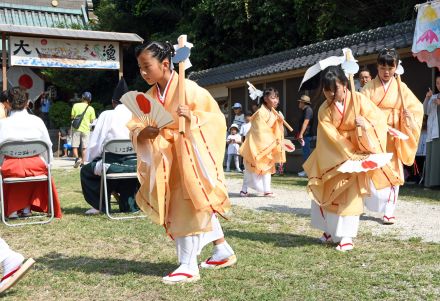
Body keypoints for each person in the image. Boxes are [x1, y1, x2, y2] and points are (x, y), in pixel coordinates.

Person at [128, 41, 236, 284]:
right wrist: (142, 133)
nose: (144, 73)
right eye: (141, 68)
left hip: (189, 156)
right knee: (198, 203)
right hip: (165, 158)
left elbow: (217, 121)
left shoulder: (191, 90)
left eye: (147, 67)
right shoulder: (148, 97)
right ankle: (222, 249)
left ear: (165, 64)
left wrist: (194, 118)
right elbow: (136, 126)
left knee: (186, 205)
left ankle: (188, 265)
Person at [303, 65, 389, 251]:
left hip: (358, 152)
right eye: (327, 91)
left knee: (350, 196)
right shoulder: (324, 110)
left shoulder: (359, 100)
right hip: (333, 155)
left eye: (335, 90)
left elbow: (379, 121)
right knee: (326, 193)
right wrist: (349, 153)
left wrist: (365, 124)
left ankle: (347, 236)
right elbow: (330, 136)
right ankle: (329, 231)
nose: (331, 95)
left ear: (344, 85)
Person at [361, 48, 424, 224]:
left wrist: (407, 116)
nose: (386, 72)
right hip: (374, 136)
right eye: (382, 68)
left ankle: (389, 210)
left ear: (396, 67)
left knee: (394, 172)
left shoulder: (401, 87)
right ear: (377, 67)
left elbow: (417, 108)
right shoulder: (368, 88)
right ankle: (369, 203)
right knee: (371, 170)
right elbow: (360, 108)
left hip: (394, 135)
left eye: (390, 68)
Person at [0, 87, 62, 219]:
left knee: (11, 168)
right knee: (37, 166)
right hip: (35, 165)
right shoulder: (37, 121)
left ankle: (12, 210)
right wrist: (48, 163)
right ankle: (27, 208)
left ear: (9, 103)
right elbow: (47, 146)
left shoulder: (2, 124)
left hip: (10, 166)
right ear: (27, 102)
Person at [80, 78, 139, 215]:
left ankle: (99, 205)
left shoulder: (107, 115)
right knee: (124, 171)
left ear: (113, 102)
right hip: (135, 164)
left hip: (111, 163)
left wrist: (92, 158)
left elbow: (96, 143)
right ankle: (131, 203)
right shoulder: (137, 115)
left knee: (87, 170)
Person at [239, 87, 286, 197]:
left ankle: (267, 189)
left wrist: (279, 122)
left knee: (268, 166)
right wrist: (272, 140)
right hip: (257, 144)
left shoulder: (273, 113)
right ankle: (244, 189)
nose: (276, 100)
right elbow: (259, 130)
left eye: (277, 98)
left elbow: (276, 129)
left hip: (267, 144)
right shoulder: (260, 113)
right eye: (273, 98)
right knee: (250, 168)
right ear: (265, 98)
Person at [423, 75, 440, 188]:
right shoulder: (434, 96)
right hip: (434, 131)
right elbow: (425, 111)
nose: (439, 85)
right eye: (438, 83)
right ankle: (433, 182)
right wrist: (427, 98)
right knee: (434, 156)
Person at [71, 91, 96, 168]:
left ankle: (77, 158)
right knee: (84, 147)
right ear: (90, 99)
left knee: (75, 145)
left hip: (76, 128)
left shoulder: (75, 105)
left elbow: (72, 117)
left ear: (82, 97)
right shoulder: (91, 108)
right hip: (86, 129)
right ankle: (83, 162)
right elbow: (92, 120)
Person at [297, 95, 314, 177]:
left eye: (300, 102)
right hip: (304, 135)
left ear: (303, 103)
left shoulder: (308, 110)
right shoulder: (304, 110)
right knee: (305, 152)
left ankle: (307, 171)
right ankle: (306, 170)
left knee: (306, 153)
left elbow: (306, 122)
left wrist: (301, 134)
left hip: (307, 135)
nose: (299, 103)